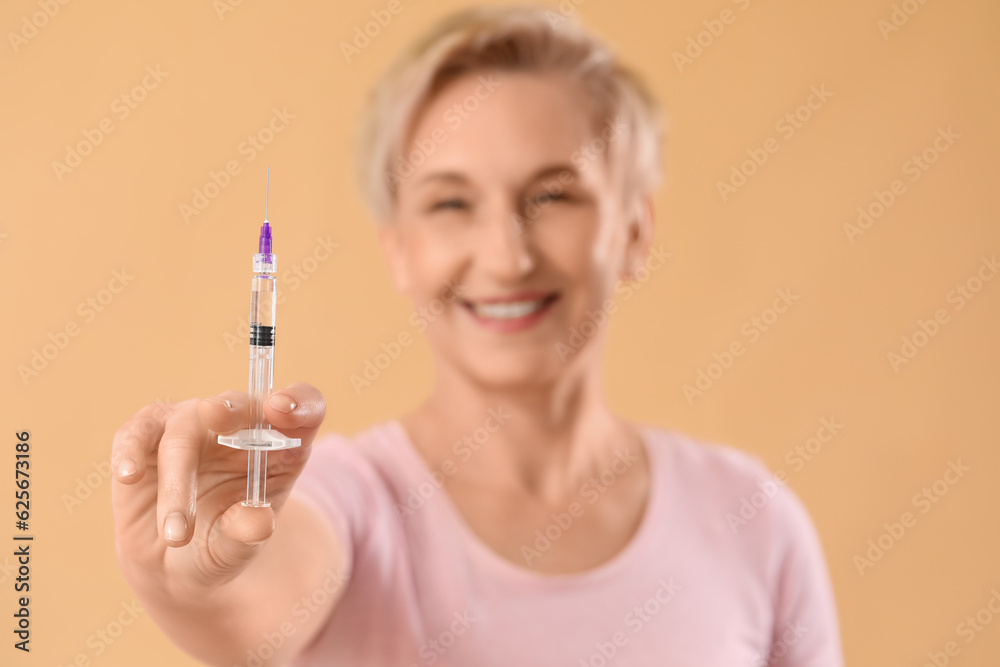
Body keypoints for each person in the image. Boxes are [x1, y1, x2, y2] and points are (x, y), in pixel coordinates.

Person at [111, 6, 843, 666]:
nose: (506, 256)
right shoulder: (346, 504)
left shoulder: (752, 518)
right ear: (397, 247)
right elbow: (253, 606)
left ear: (635, 229)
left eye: (553, 194)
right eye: (451, 201)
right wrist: (187, 577)